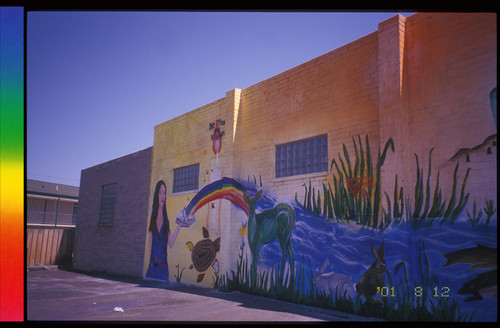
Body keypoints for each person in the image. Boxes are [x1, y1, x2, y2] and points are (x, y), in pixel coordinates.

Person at [145, 180, 182, 281]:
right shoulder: (152, 219)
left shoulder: (166, 220)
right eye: (160, 193)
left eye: (164, 193)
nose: (162, 196)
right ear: (156, 195)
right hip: (153, 268)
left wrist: (179, 226)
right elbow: (150, 247)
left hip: (164, 270)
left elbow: (171, 243)